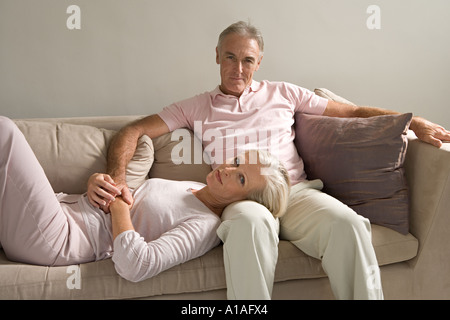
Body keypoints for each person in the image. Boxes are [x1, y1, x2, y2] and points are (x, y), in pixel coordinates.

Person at [88, 21, 450, 299]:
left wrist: (412, 121)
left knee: (349, 225)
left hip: (296, 192)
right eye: (230, 57)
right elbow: (133, 131)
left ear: (259, 62)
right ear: (217, 56)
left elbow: (351, 111)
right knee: (249, 226)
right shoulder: (196, 106)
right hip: (242, 198)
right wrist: (118, 178)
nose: (238, 69)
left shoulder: (285, 93)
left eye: (248, 60)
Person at [0, 115, 290, 282]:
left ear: (246, 202)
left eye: (240, 178)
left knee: (5, 132)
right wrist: (97, 184)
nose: (228, 169)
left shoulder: (204, 226)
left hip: (60, 238)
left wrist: (117, 205)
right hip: (60, 208)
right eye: (237, 161)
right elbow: (123, 196)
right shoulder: (192, 187)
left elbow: (137, 265)